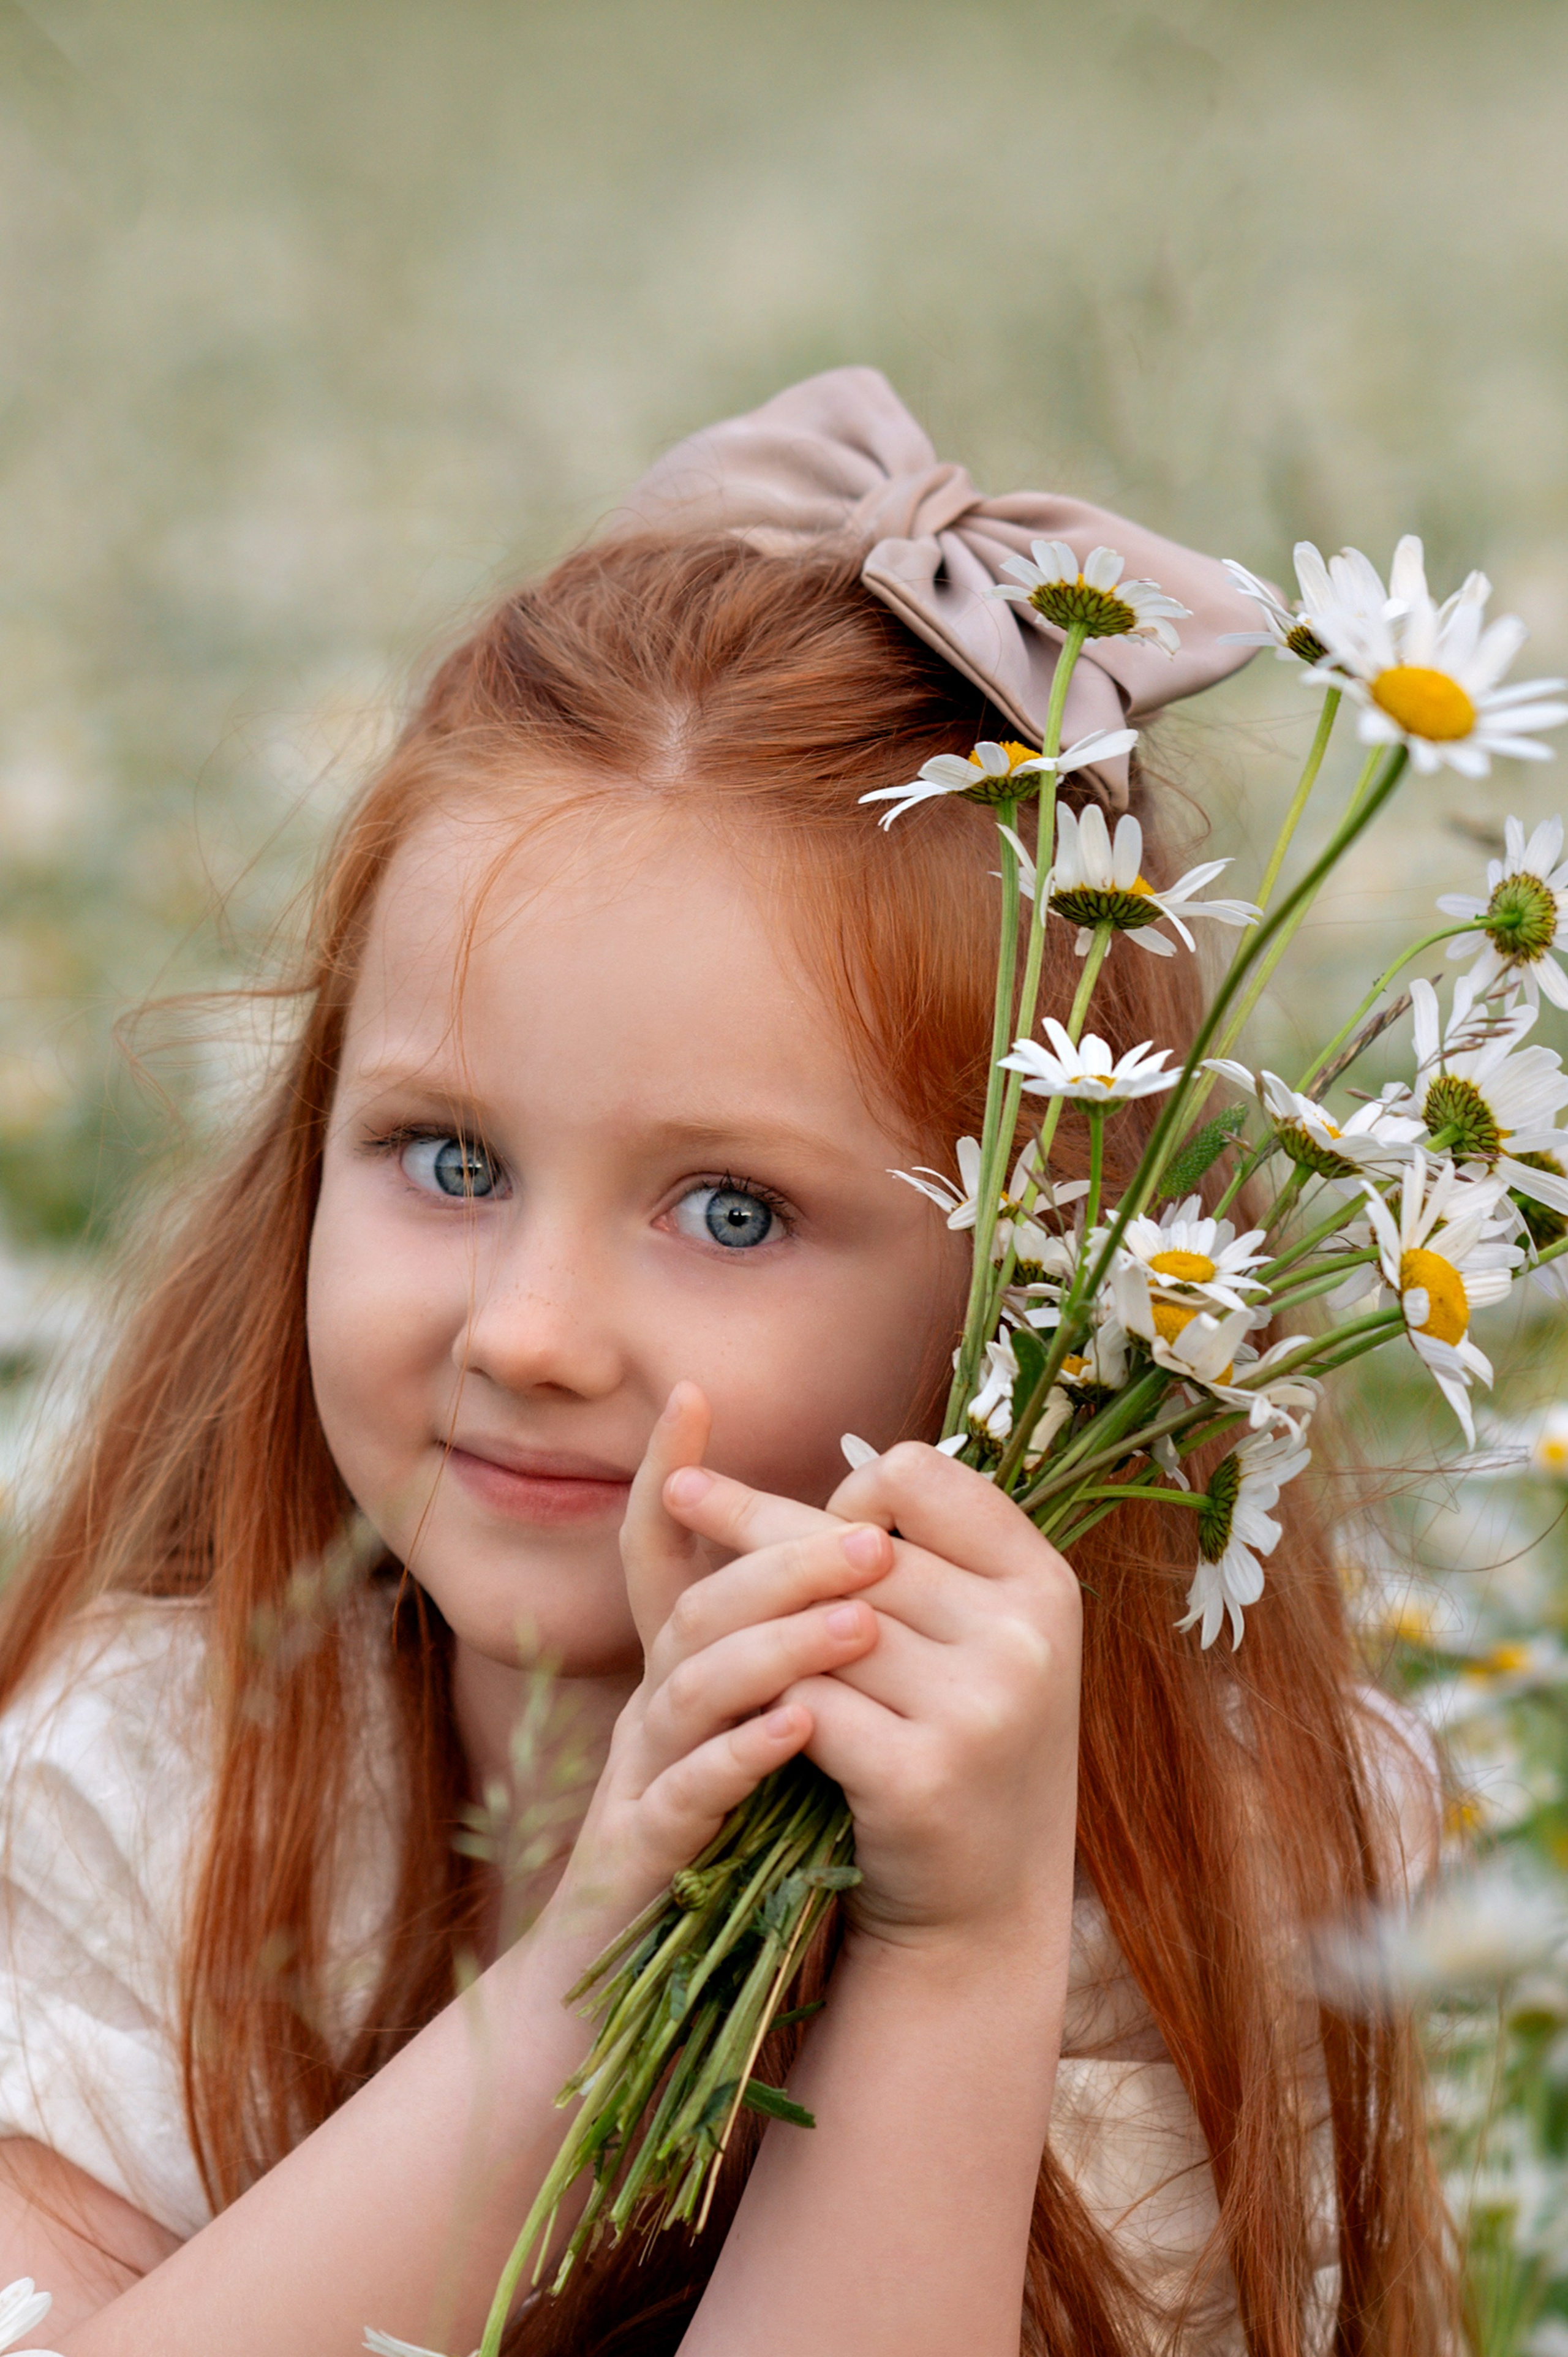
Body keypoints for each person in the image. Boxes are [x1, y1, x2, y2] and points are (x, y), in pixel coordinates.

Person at [0, 371, 1455, 2356]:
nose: (523, 1332)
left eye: (734, 1213)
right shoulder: (167, 1795)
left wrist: (946, 1956)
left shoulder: (1202, 1873)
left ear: (1044, 1299)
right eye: (448, 1160)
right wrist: (591, 1973)